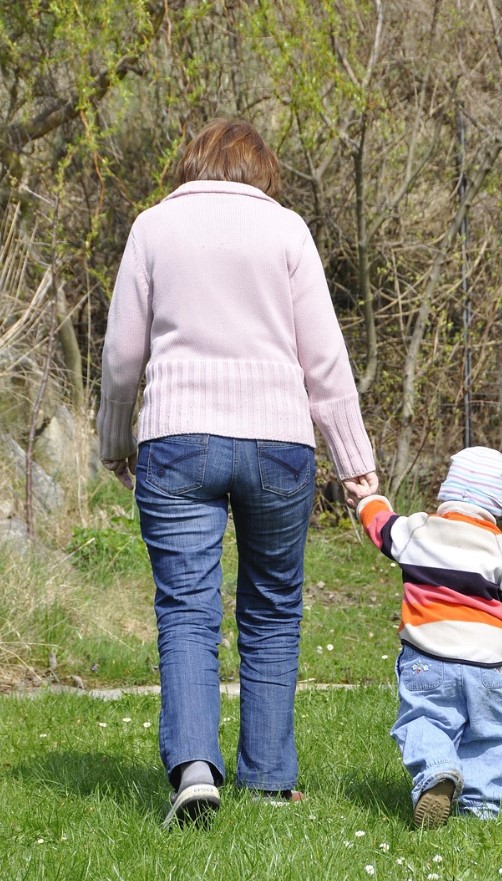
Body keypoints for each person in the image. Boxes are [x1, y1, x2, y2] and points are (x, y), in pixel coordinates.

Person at [97, 118, 378, 828]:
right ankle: (270, 780)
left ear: (192, 162)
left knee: (187, 608)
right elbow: (324, 360)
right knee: (273, 605)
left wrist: (111, 439)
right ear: (262, 169)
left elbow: (123, 356)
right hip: (279, 441)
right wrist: (356, 466)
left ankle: (194, 770)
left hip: (177, 436)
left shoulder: (152, 227)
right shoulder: (286, 231)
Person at [356, 446, 502, 828]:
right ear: (498, 503)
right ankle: (483, 810)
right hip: (488, 667)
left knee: (425, 720)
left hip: (428, 659)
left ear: (447, 489)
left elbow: (380, 524)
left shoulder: (418, 530)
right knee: (488, 735)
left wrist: (367, 499)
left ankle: (437, 771)